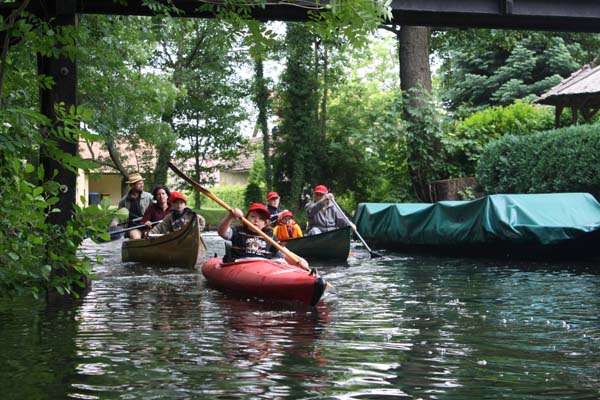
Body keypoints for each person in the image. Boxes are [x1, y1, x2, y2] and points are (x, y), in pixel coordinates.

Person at [218, 202, 308, 269]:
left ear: (265, 224)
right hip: (241, 264)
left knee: (283, 261)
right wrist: (230, 216)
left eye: (261, 219)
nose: (256, 220)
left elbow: (284, 253)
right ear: (246, 219)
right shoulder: (239, 231)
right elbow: (222, 232)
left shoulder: (270, 236)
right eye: (253, 216)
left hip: (263, 266)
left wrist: (300, 260)